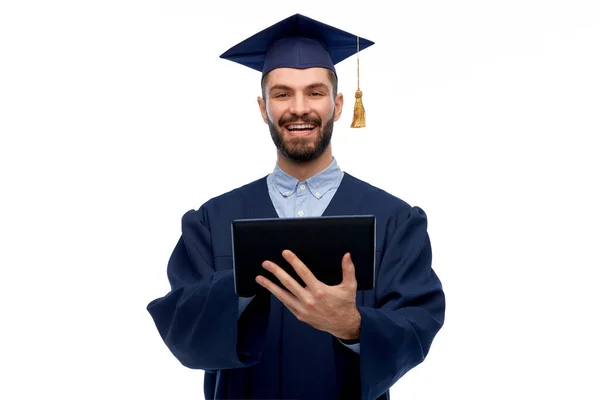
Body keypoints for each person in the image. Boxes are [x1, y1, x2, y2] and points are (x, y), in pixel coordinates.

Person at [147, 13, 445, 400]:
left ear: (338, 105)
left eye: (315, 92)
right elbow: (180, 327)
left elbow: (418, 324)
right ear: (263, 107)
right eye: (282, 93)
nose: (299, 108)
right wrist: (239, 288)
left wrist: (353, 325)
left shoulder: (394, 220)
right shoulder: (211, 221)